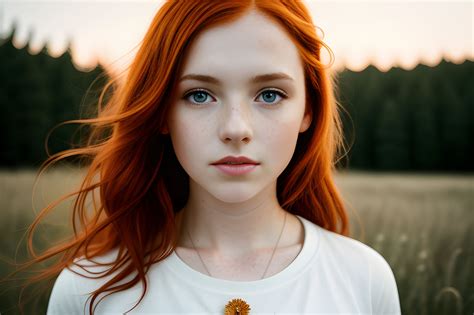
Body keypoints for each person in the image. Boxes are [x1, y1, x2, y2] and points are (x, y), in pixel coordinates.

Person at [36, 1, 401, 314]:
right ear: (162, 111)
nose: (236, 128)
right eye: (199, 95)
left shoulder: (363, 278)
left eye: (270, 94)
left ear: (309, 109)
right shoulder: (88, 290)